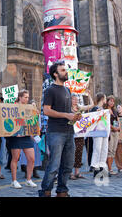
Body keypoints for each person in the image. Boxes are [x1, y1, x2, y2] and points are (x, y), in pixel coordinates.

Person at [38, 61, 81, 197]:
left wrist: (74, 116)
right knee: (54, 165)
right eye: (62, 70)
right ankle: (46, 191)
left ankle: (62, 190)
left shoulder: (67, 90)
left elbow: (67, 111)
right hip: (55, 131)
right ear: (55, 74)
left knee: (68, 165)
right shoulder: (50, 90)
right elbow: (46, 110)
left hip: (69, 131)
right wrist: (66, 115)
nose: (66, 72)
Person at [8, 90, 37, 189]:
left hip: (27, 136)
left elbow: (32, 120)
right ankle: (14, 180)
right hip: (16, 137)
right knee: (15, 158)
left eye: (28, 97)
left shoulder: (29, 107)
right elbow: (10, 121)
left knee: (31, 159)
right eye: (25, 97)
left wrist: (35, 111)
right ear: (20, 97)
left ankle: (28, 179)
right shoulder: (13, 107)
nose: (27, 99)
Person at [89, 93, 109, 177]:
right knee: (97, 148)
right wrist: (96, 114)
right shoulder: (95, 108)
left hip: (104, 131)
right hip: (97, 131)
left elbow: (105, 121)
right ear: (102, 99)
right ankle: (95, 166)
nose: (105, 100)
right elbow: (91, 118)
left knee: (104, 149)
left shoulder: (104, 109)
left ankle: (102, 166)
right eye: (105, 98)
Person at [106, 96, 120, 176]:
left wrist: (118, 127)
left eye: (113, 101)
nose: (111, 102)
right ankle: (109, 168)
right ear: (107, 101)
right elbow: (106, 121)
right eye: (110, 101)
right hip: (110, 131)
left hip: (116, 131)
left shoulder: (114, 110)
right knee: (110, 150)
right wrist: (113, 127)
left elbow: (117, 120)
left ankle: (110, 169)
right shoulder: (105, 110)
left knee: (114, 150)